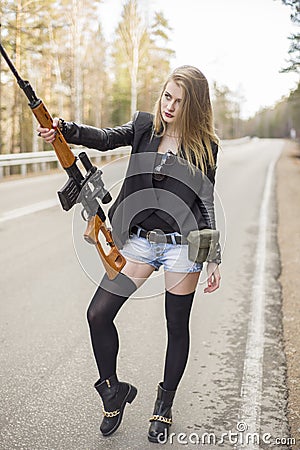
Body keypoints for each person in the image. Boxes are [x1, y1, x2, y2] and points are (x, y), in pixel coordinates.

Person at [38, 65, 221, 443]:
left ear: (195, 106)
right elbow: (105, 138)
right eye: (167, 96)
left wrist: (212, 258)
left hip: (180, 248)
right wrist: (65, 130)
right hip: (138, 241)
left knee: (176, 327)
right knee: (98, 314)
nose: (169, 106)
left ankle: (163, 406)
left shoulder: (205, 147)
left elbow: (204, 203)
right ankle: (113, 391)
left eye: (179, 101)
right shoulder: (143, 126)